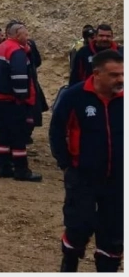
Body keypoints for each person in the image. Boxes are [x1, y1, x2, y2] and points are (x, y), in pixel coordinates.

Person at [49, 49, 123, 272]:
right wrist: (66, 164)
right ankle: (69, 263)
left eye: (122, 74)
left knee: (114, 233)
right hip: (83, 177)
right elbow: (56, 131)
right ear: (97, 74)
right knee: (79, 225)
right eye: (114, 75)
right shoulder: (75, 96)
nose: (120, 79)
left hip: (119, 179)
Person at [0, 22, 42, 182]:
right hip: (12, 100)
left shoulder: (0, 48)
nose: (28, 37)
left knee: (4, 133)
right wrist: (22, 99)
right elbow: (19, 77)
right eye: (26, 34)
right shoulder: (16, 51)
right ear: (18, 35)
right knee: (19, 134)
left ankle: (3, 166)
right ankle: (21, 169)